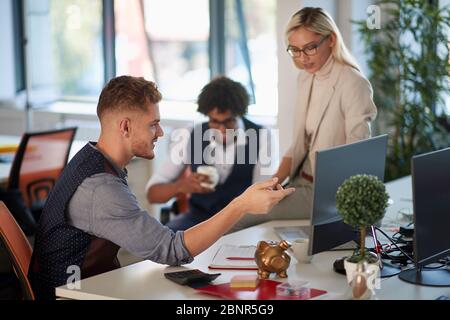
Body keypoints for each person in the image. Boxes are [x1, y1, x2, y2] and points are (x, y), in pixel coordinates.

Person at [27, 76, 294, 300]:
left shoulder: (91, 159)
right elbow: (171, 250)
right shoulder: (101, 188)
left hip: (90, 285)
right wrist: (241, 204)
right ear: (126, 127)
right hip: (72, 296)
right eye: (153, 124)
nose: (161, 133)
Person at [230, 7, 377, 232]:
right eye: (295, 50)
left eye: (310, 48)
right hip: (300, 182)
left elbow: (357, 154)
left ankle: (192, 261)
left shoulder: (352, 83)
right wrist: (271, 184)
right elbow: (298, 144)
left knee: (242, 213)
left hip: (327, 192)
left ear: (331, 40)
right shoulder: (306, 78)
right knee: (246, 204)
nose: (302, 58)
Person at [146, 76, 274, 231]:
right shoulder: (189, 134)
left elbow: (262, 193)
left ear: (239, 114)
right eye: (214, 121)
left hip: (241, 221)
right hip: (198, 219)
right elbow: (152, 194)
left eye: (228, 121)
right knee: (164, 243)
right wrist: (181, 186)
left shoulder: (261, 135)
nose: (222, 129)